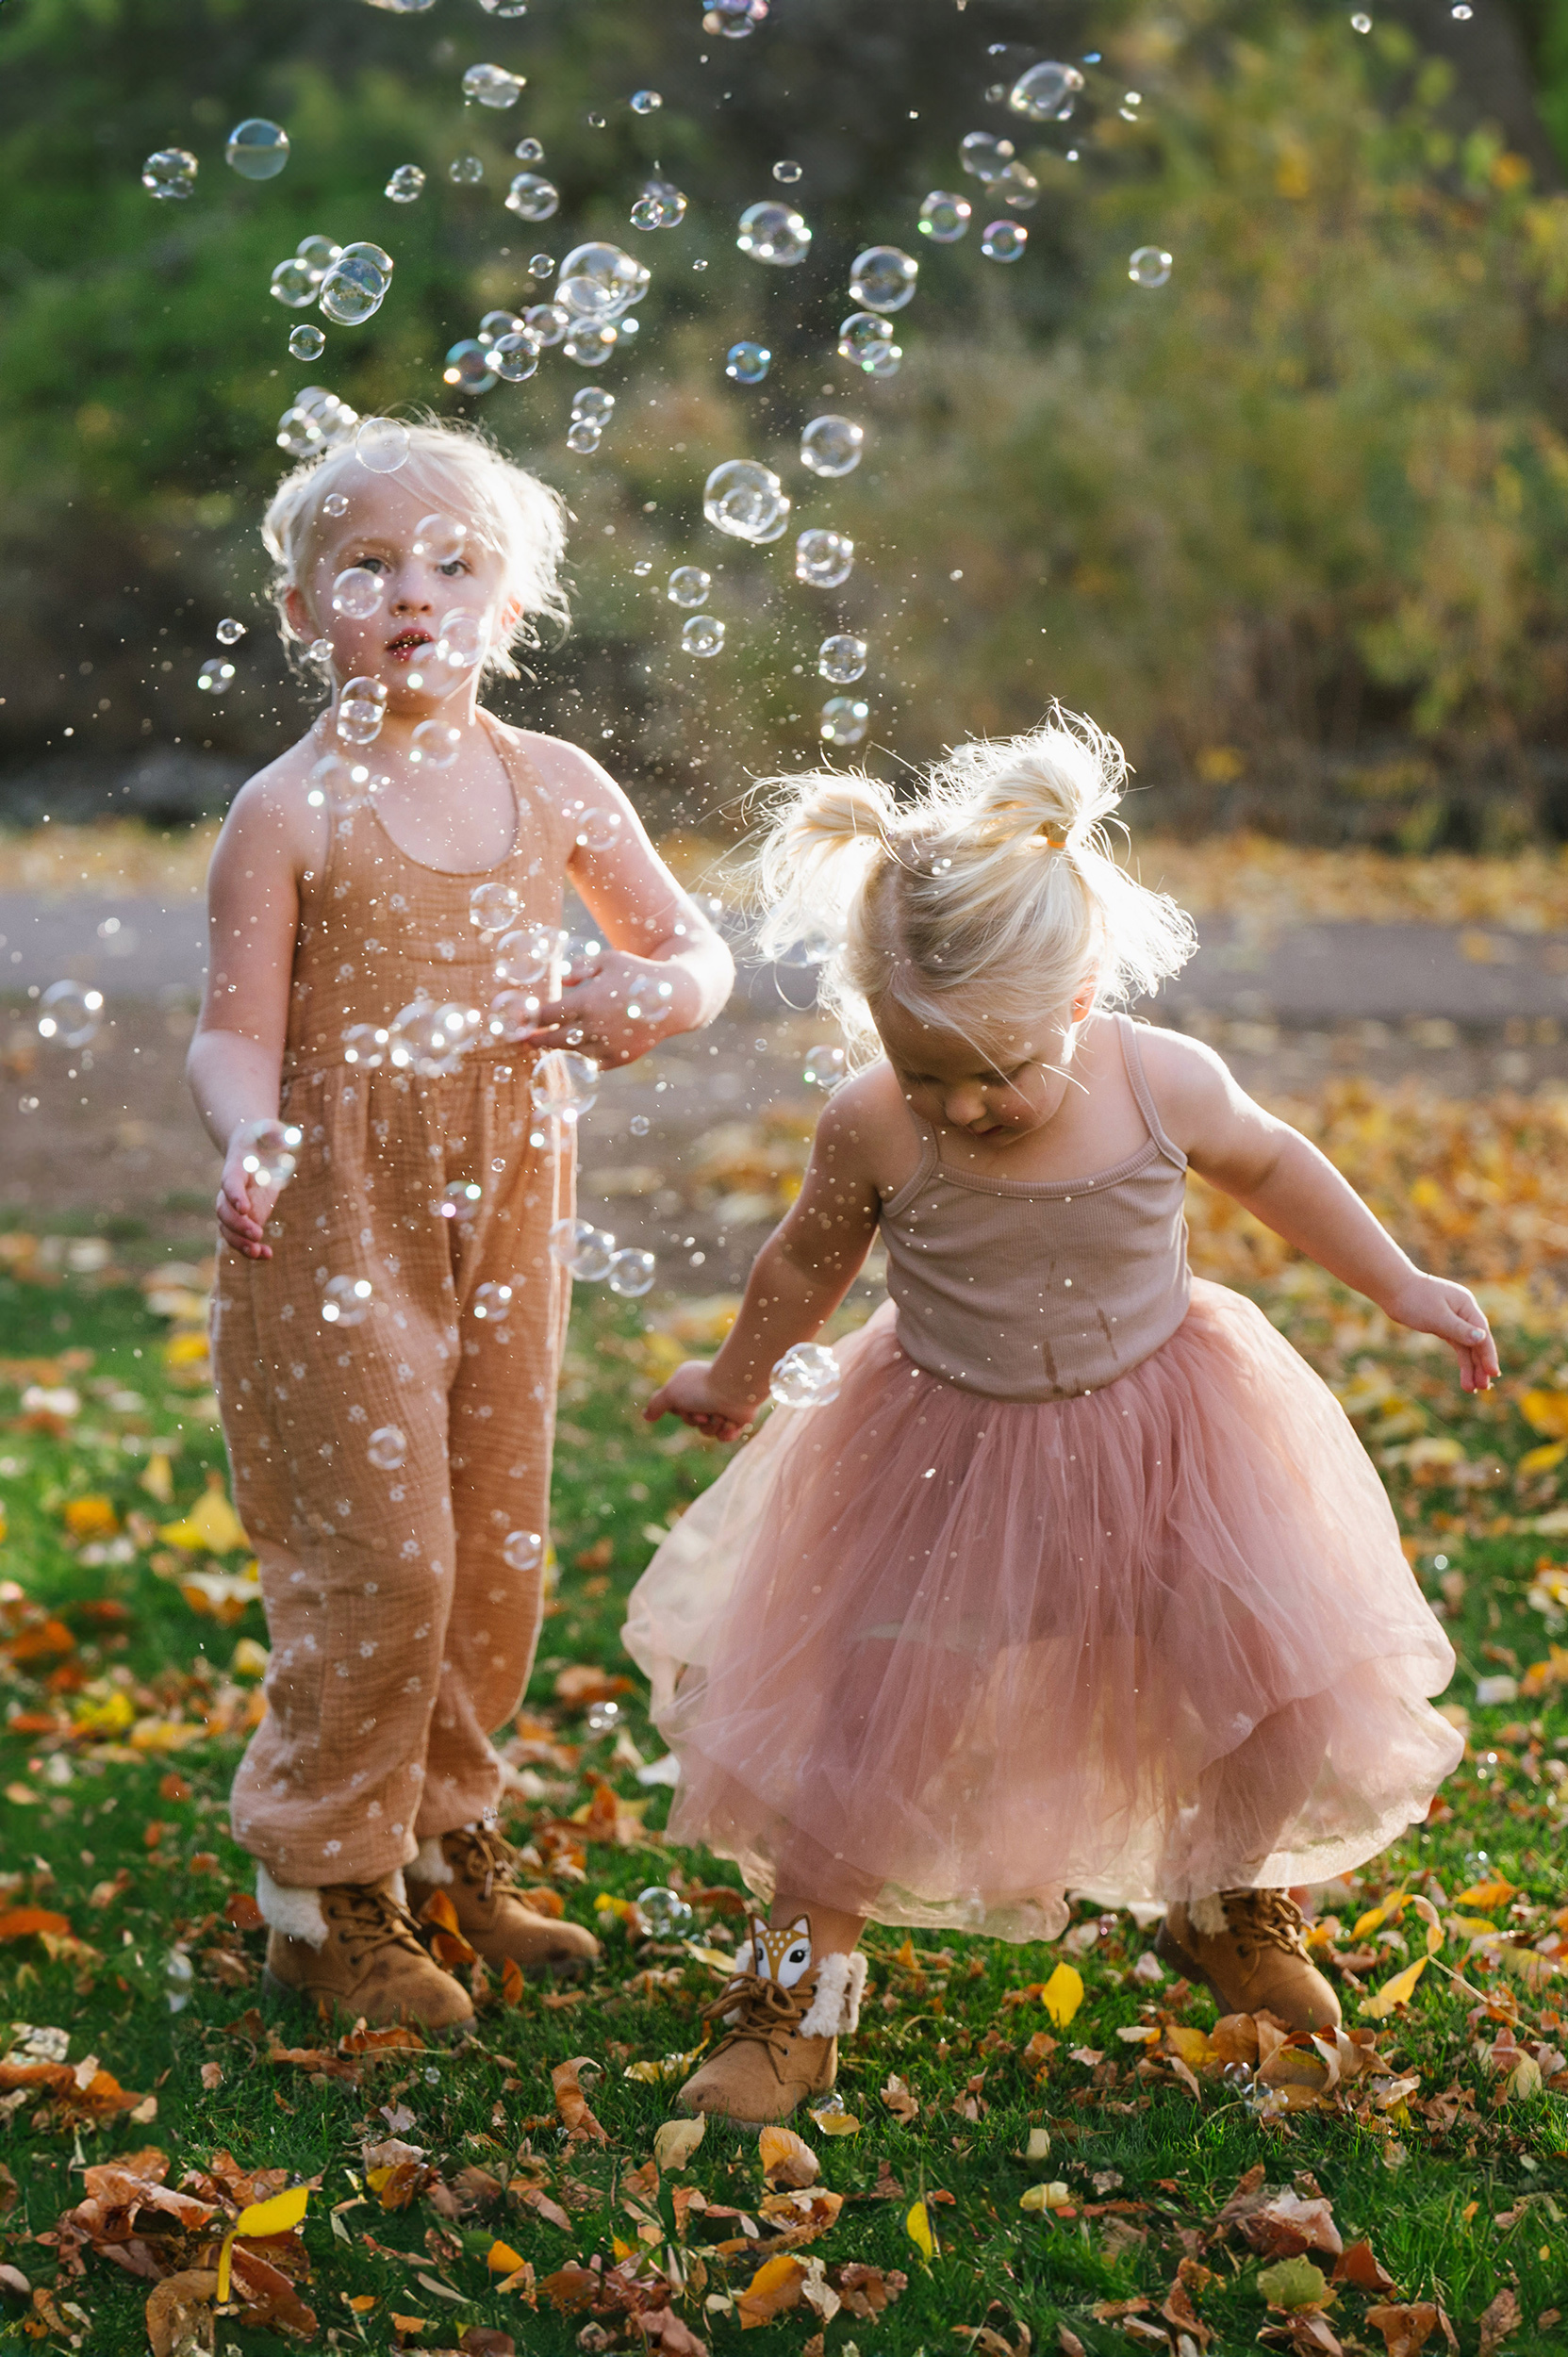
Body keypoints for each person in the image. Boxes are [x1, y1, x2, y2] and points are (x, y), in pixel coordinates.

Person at [624, 712, 1487, 2124]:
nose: (964, 1103)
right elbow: (804, 1261)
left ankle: (1227, 1894)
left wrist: (1401, 1283)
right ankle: (792, 1992)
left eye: (997, 1071)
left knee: (1271, 1674)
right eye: (928, 1074)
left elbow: (1275, 1167)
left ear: (1084, 993)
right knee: (868, 1729)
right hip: (945, 1453)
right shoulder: (877, 1124)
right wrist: (733, 1374)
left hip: (1171, 1437)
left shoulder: (1164, 1082)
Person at [188, 418, 733, 2029]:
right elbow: (231, 1030)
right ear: (302, 611)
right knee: (382, 1559)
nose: (411, 593)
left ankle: (443, 1840)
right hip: (333, 1217)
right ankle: (319, 1879)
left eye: (452, 564)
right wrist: (248, 1133)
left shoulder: (552, 783)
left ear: (512, 605)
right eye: (365, 566)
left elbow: (692, 952)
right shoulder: (284, 814)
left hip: (504, 1202)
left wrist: (654, 994)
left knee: (493, 1547)